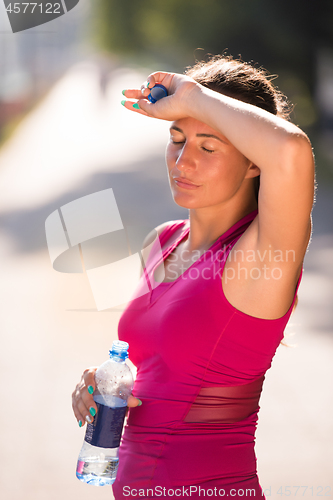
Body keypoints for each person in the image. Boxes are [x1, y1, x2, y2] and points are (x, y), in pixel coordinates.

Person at [72, 55, 315, 499]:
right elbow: (167, 368)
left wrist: (194, 97)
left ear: (253, 162)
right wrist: (102, 383)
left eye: (209, 146)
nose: (183, 161)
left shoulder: (259, 259)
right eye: (177, 138)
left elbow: (291, 151)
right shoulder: (162, 241)